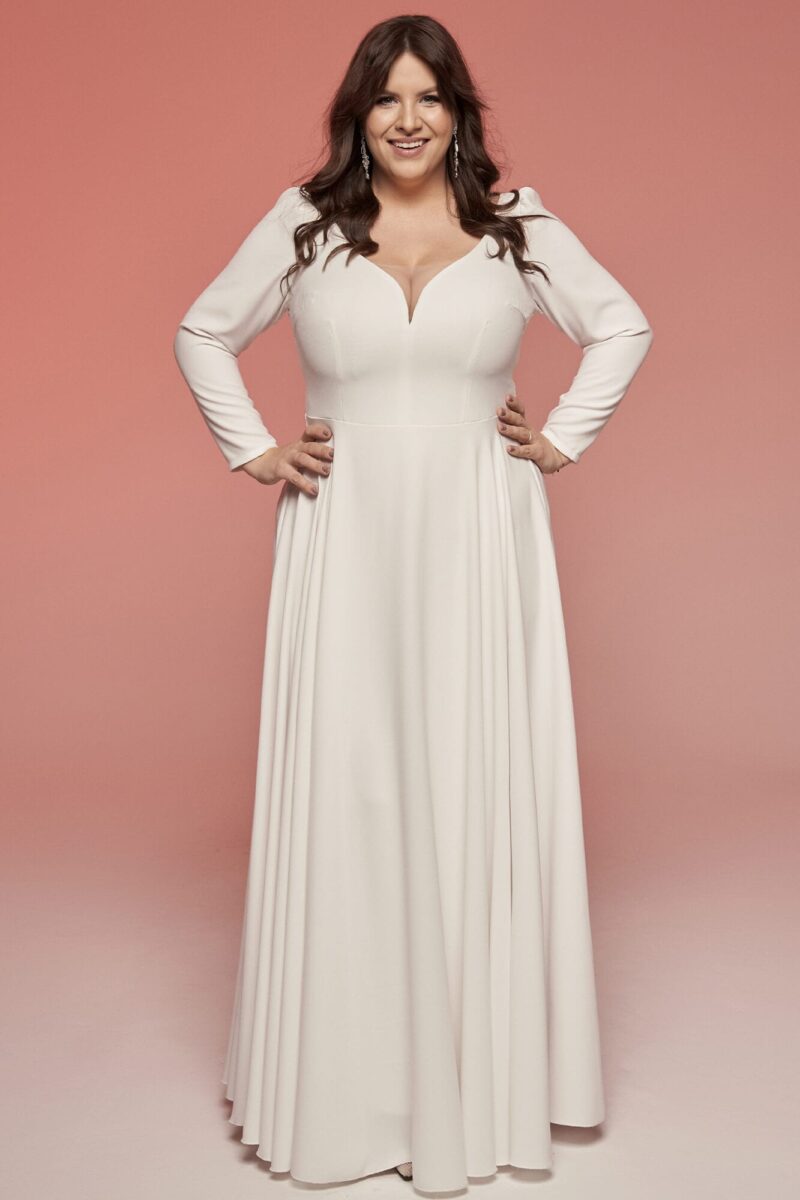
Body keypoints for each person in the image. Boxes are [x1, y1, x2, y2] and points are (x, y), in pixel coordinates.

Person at [173, 14, 653, 1193]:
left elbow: (621, 325)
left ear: (456, 114)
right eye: (385, 97)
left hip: (479, 539)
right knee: (353, 782)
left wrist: (561, 436)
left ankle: (475, 1076)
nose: (406, 118)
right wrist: (253, 449)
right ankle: (347, 1086)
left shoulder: (515, 225)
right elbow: (201, 331)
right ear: (357, 113)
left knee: (466, 769)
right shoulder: (304, 225)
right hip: (342, 540)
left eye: (428, 97)